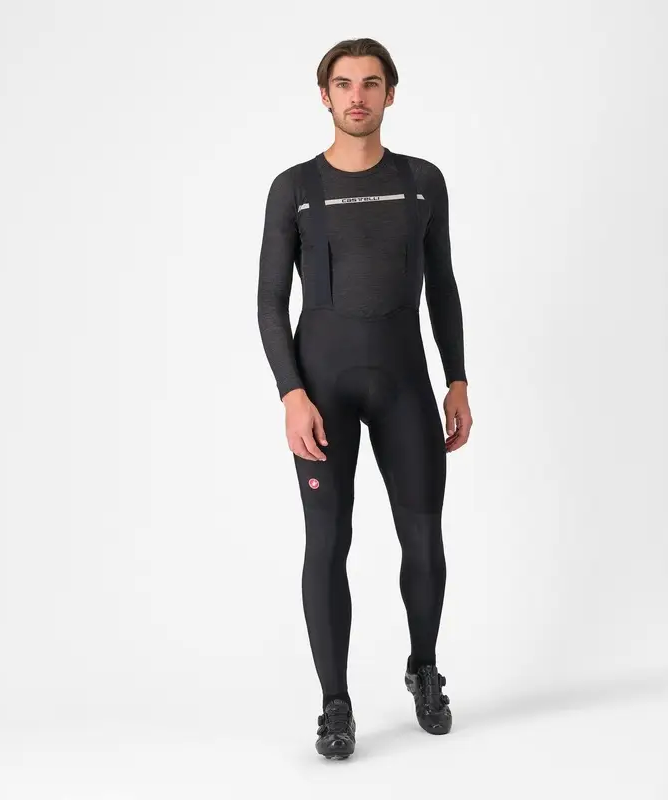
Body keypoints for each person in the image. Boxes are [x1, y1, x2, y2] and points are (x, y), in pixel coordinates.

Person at [257, 37, 473, 760]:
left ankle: (424, 669)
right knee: (328, 541)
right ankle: (335, 703)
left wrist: (458, 378)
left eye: (371, 83)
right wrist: (291, 393)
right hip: (323, 390)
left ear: (390, 94)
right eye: (344, 84)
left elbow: (442, 286)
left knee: (424, 536)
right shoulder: (294, 187)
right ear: (325, 96)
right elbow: (269, 300)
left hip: (405, 383)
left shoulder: (422, 181)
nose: (358, 96)